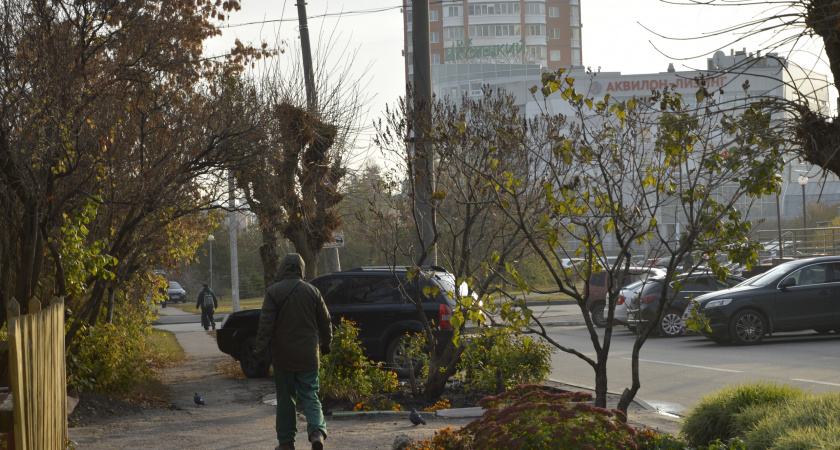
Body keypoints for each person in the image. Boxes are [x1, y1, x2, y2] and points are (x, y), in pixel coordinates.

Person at [255, 253, 332, 450]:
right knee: (310, 394)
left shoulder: (273, 292)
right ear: (301, 269)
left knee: (285, 398)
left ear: (282, 269)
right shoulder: (312, 291)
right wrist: (326, 344)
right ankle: (316, 433)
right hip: (308, 355)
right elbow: (325, 321)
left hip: (283, 357)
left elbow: (265, 326)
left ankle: (286, 442)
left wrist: (260, 351)